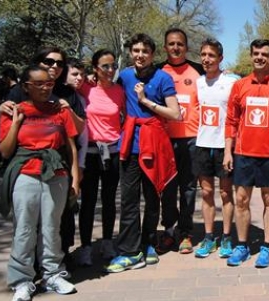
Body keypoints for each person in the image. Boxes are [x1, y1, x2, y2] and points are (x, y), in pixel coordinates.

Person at [0, 46, 86, 265]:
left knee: (56, 223)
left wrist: (76, 175)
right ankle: (25, 273)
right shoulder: (19, 95)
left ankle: (56, 265)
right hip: (26, 169)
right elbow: (5, 143)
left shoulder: (66, 95)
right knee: (26, 226)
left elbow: (75, 136)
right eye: (49, 62)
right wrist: (5, 110)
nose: (54, 67)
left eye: (59, 63)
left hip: (58, 167)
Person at [105, 33, 180, 273]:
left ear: (153, 54)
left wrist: (145, 101)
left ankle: (148, 243)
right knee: (128, 200)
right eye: (136, 50)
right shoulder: (124, 76)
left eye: (145, 51)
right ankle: (129, 250)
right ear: (130, 53)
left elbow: (175, 114)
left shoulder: (163, 78)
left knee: (151, 197)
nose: (140, 55)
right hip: (130, 144)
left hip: (154, 143)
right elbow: (105, 94)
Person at [223, 39, 269, 268]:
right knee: (241, 200)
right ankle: (242, 245)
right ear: (251, 55)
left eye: (265, 54)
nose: (259, 57)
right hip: (244, 153)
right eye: (256, 53)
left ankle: (266, 247)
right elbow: (231, 121)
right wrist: (228, 152)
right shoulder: (240, 86)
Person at [157, 28, 204, 255]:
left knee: (187, 188)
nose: (176, 48)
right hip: (164, 140)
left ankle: (185, 232)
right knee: (167, 188)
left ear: (186, 47)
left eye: (180, 44)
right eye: (171, 44)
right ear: (165, 46)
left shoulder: (198, 71)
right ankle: (168, 230)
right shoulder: (156, 71)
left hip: (191, 139)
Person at [76, 50, 125, 266]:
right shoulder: (86, 88)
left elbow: (127, 116)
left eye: (113, 65)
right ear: (95, 68)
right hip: (90, 152)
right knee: (87, 201)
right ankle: (86, 246)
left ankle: (107, 242)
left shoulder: (119, 91)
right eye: (105, 66)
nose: (110, 70)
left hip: (112, 153)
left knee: (108, 199)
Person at [192, 38, 237, 259]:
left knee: (226, 192)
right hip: (202, 145)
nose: (206, 59)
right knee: (207, 193)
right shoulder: (197, 82)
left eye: (211, 55)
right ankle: (209, 236)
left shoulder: (230, 82)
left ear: (220, 58)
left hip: (224, 146)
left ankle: (226, 236)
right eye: (203, 55)